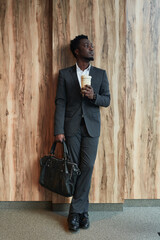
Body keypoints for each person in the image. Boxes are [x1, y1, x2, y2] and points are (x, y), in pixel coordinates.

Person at [54, 34, 110, 231]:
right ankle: (81, 213)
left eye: (92, 45)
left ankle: (75, 212)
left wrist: (94, 96)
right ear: (77, 51)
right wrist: (58, 130)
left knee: (87, 167)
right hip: (71, 128)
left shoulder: (101, 74)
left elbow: (107, 100)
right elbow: (60, 102)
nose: (91, 48)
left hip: (92, 128)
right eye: (87, 46)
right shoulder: (65, 74)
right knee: (75, 168)